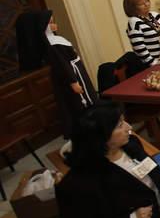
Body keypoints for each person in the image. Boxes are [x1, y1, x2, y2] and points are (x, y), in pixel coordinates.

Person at [15, 10, 98, 139]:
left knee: (86, 97)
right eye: (51, 23)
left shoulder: (55, 40)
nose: (55, 25)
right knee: (81, 100)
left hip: (76, 68)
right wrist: (73, 81)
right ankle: (88, 127)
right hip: (73, 73)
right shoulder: (53, 45)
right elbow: (62, 65)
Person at [123, 0, 160, 68]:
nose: (146, 4)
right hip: (151, 64)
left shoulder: (156, 15)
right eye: (141, 4)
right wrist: (153, 63)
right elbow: (139, 46)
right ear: (133, 8)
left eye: (147, 1)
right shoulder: (134, 22)